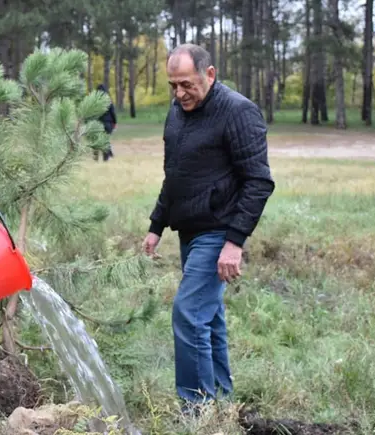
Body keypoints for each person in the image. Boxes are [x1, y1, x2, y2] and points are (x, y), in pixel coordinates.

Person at [141, 44, 274, 413]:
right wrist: (157, 225)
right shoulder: (178, 112)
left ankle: (195, 410)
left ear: (210, 74)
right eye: (173, 85)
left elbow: (258, 182)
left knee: (188, 313)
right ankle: (220, 400)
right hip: (189, 230)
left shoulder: (238, 112)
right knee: (207, 318)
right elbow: (175, 175)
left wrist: (234, 242)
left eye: (187, 84)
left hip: (218, 231)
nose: (180, 93)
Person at [94, 84, 117, 161]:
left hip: (97, 123)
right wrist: (114, 122)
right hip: (107, 123)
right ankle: (106, 158)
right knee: (106, 141)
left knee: (96, 141)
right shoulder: (108, 100)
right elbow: (112, 112)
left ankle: (95, 157)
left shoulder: (95, 101)